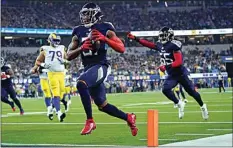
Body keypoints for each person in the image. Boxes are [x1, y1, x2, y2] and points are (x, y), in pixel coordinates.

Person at [67, 2, 138, 136]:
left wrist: (105, 39)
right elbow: (68, 56)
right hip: (88, 68)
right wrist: (81, 48)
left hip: (101, 66)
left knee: (81, 83)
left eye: (87, 14)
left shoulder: (105, 27)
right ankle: (128, 117)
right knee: (102, 105)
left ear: (95, 14)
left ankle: (90, 121)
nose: (84, 17)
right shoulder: (78, 30)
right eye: (83, 14)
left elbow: (121, 48)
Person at [128, 26, 209, 120]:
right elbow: (149, 44)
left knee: (192, 93)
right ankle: (179, 103)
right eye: (161, 35)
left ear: (169, 36)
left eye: (163, 36)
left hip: (181, 73)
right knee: (165, 89)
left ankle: (203, 107)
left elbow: (178, 62)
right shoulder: (161, 45)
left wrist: (165, 67)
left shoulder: (173, 45)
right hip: (172, 75)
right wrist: (136, 39)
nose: (161, 37)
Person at [32, 33, 67, 122]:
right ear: (50, 40)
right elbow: (38, 61)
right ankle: (59, 113)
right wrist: (42, 65)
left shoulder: (62, 48)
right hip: (51, 74)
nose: (56, 42)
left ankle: (51, 108)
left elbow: (68, 61)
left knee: (62, 93)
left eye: (57, 41)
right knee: (53, 93)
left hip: (61, 73)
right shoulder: (45, 49)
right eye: (54, 40)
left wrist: (65, 61)